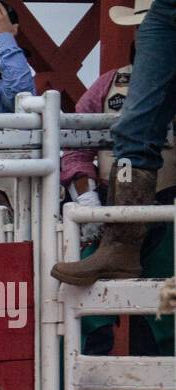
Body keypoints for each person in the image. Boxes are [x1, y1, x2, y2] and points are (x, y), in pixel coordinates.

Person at [53, 0, 176, 286]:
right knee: (132, 130)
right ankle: (120, 247)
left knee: (134, 129)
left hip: (166, 195)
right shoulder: (108, 82)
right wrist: (87, 195)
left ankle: (120, 246)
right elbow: (76, 149)